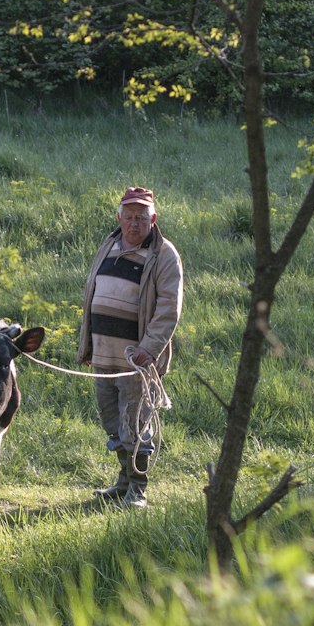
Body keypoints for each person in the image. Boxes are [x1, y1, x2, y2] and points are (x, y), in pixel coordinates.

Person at [77, 186, 183, 508]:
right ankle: (122, 484)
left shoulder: (164, 255)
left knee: (137, 426)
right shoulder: (108, 245)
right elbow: (92, 293)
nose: (134, 223)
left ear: (153, 219)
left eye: (141, 217)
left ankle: (138, 491)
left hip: (137, 360)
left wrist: (148, 350)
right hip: (104, 355)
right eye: (128, 216)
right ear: (119, 217)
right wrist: (88, 345)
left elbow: (169, 309)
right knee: (112, 420)